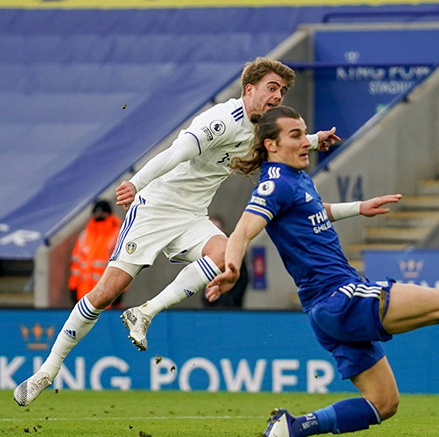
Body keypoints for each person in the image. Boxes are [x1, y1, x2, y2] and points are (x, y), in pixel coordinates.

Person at [205, 106, 439, 437]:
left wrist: (357, 208)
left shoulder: (296, 178)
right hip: (340, 297)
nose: (306, 141)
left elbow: (311, 214)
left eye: (305, 133)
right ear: (271, 145)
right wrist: (232, 267)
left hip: (325, 309)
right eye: (296, 135)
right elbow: (241, 232)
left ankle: (293, 427)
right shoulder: (275, 184)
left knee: (384, 403)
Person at [13, 58, 340, 407]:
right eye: (272, 88)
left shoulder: (263, 130)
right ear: (250, 89)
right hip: (155, 208)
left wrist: (317, 139)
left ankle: (145, 312)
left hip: (192, 216)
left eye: (283, 91)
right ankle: (47, 370)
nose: (278, 96)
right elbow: (174, 153)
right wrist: (136, 183)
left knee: (225, 252)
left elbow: (291, 140)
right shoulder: (221, 121)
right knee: (107, 292)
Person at [68, 199, 123, 307]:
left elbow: (122, 266)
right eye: (97, 212)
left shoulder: (117, 234)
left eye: (102, 212)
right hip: (83, 297)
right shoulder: (85, 235)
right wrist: (73, 288)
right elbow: (76, 266)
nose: (99, 215)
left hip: (107, 296)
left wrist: (120, 291)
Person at [201, 216, 248, 309]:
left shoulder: (233, 250)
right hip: (209, 307)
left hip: (230, 308)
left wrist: (231, 301)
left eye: (215, 229)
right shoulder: (203, 250)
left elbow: (243, 278)